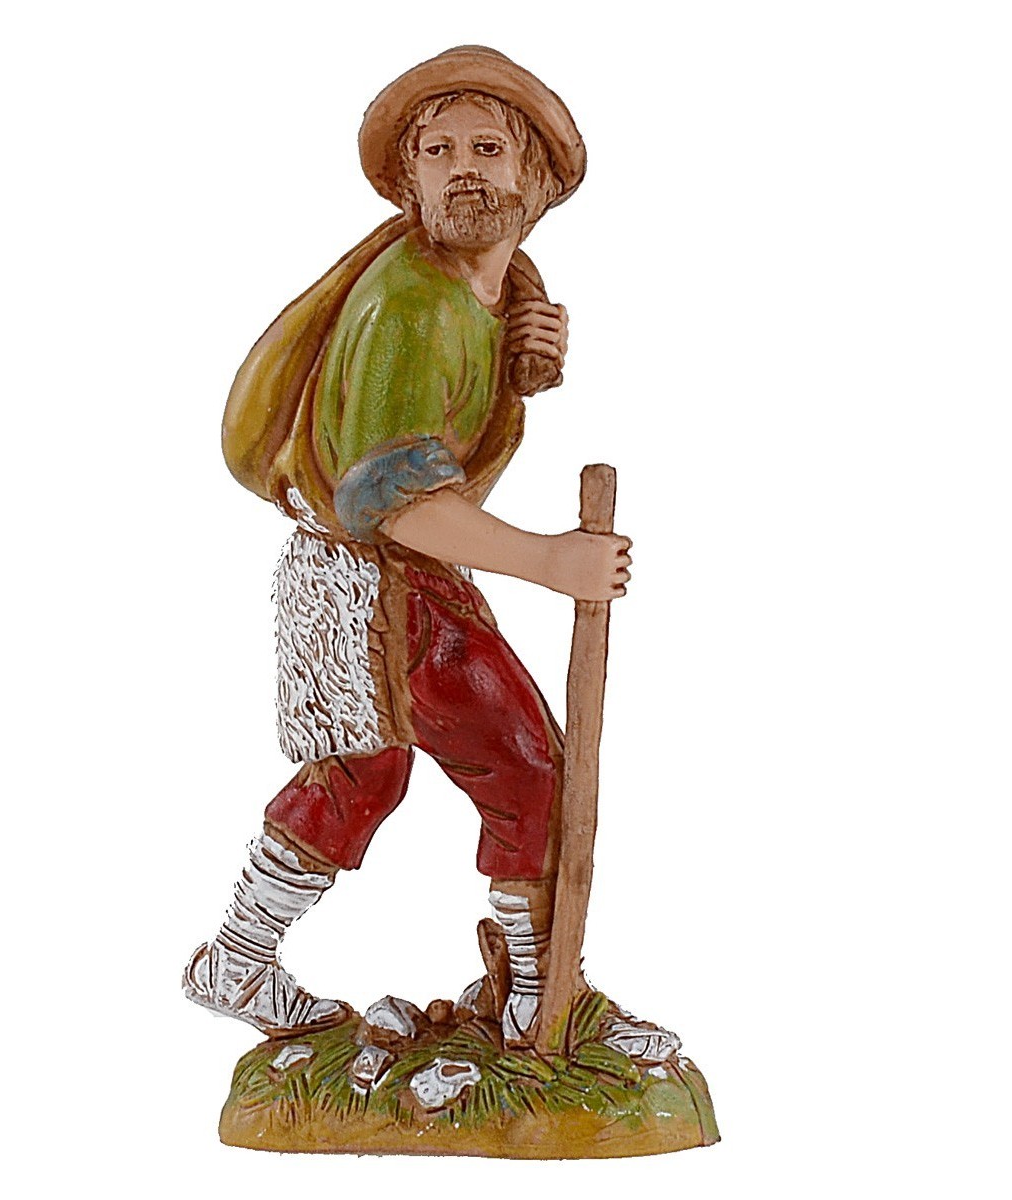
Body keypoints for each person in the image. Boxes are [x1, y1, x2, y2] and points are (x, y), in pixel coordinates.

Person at [184, 47, 675, 1063]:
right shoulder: (414, 304)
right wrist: (549, 561)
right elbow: (388, 498)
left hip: (389, 577)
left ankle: (242, 957)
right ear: (408, 179)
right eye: (439, 152)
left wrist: (522, 367)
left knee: (368, 772)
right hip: (373, 581)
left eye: (487, 149)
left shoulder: (495, 289)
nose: (464, 172)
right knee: (520, 763)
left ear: (536, 180)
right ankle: (538, 999)